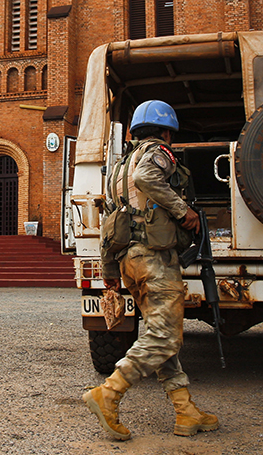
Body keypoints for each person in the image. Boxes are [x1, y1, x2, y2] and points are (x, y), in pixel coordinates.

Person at [83, 100, 217, 441]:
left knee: (160, 335)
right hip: (155, 259)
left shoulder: (118, 168)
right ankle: (109, 392)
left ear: (132, 132)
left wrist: (109, 268)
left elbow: (108, 220)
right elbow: (148, 178)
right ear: (167, 131)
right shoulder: (158, 152)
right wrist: (182, 209)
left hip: (130, 261)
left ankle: (185, 410)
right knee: (166, 336)